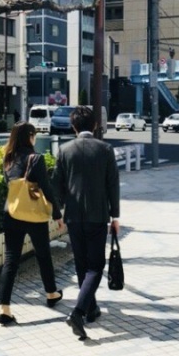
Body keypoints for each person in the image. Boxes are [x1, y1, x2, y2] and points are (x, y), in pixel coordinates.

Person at [52, 106, 120, 340]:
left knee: (82, 264)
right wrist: (116, 216)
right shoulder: (105, 149)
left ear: (73, 127)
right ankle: (79, 312)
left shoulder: (64, 150)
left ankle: (91, 309)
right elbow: (113, 185)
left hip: (73, 216)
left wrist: (58, 214)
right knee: (96, 267)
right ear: (94, 126)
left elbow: (56, 186)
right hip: (97, 215)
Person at [0, 121, 64, 326]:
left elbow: (10, 184)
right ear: (29, 137)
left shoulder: (8, 159)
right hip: (33, 215)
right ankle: (51, 293)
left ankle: (5, 309)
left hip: (12, 213)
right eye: (34, 135)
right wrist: (57, 213)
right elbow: (46, 186)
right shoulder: (36, 158)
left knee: (11, 259)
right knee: (43, 255)